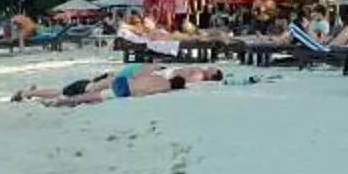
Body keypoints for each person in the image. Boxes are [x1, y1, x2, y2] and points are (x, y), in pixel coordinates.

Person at [13, 63, 226, 106]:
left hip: (118, 83)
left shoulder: (160, 78)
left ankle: (31, 92)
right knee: (79, 95)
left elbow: (137, 77)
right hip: (120, 90)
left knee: (74, 91)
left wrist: (151, 67)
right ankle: (36, 94)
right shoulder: (165, 85)